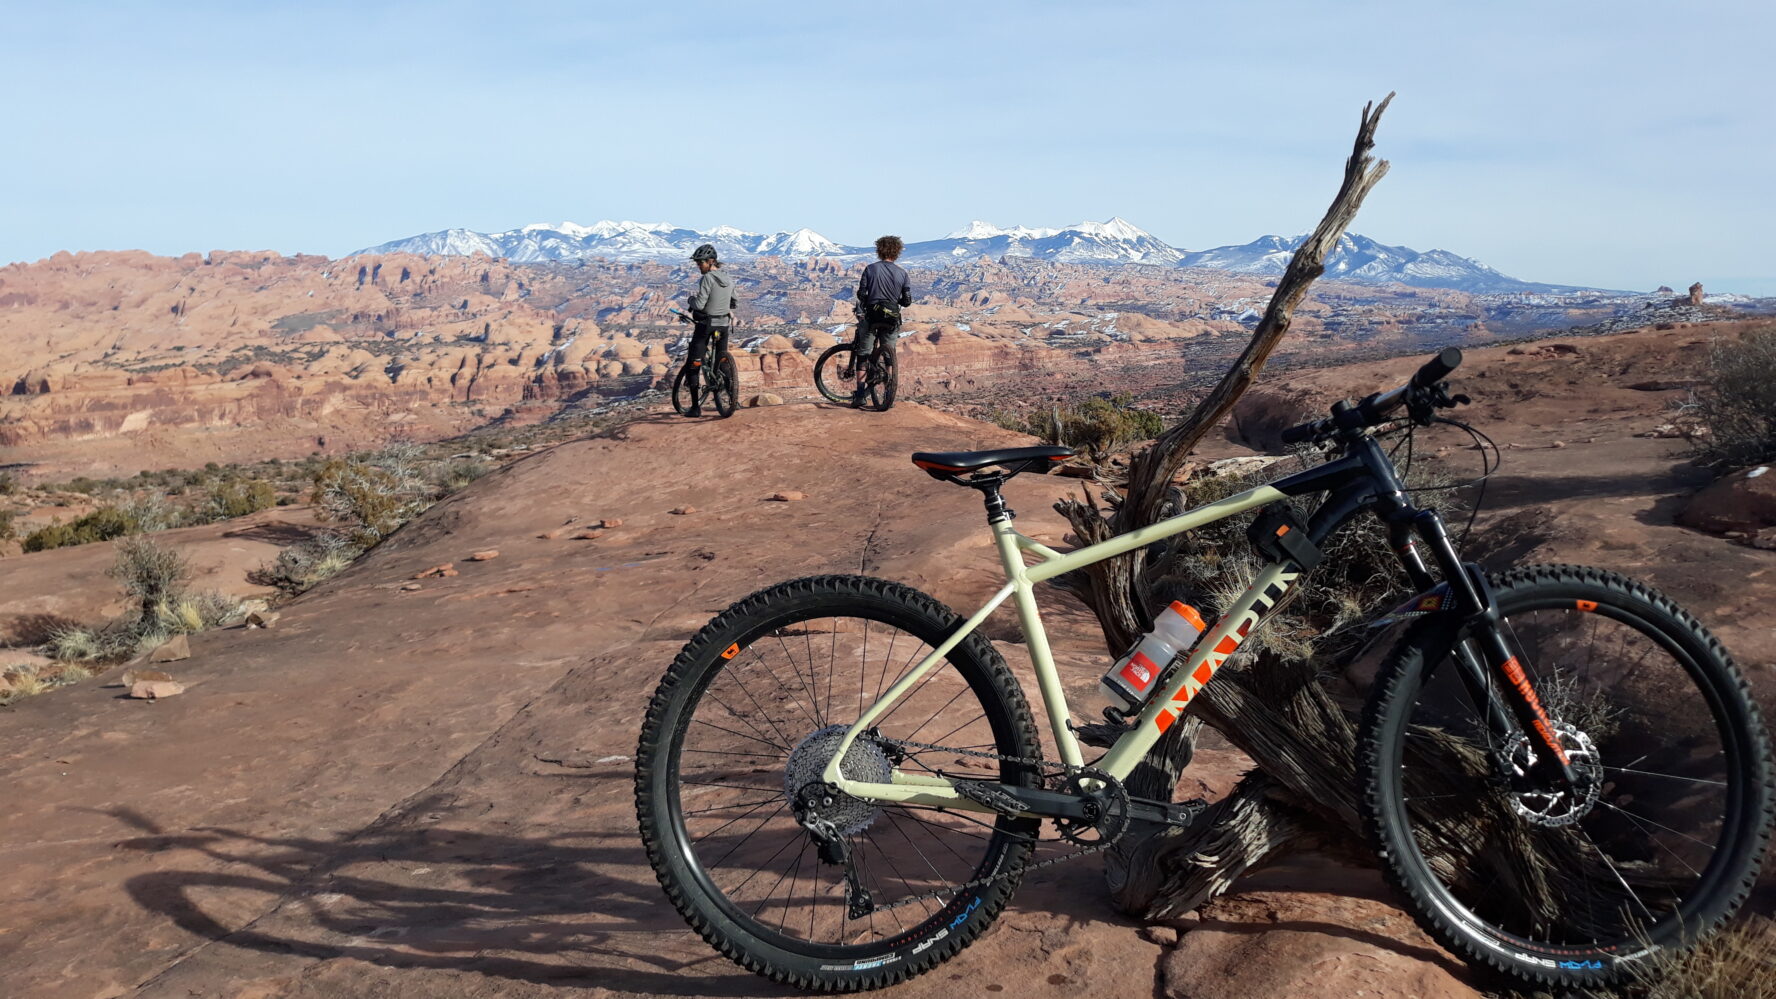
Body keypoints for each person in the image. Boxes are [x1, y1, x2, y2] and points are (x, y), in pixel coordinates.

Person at [678, 243, 738, 417]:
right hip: (724, 324)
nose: (698, 266)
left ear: (711, 261)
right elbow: (735, 301)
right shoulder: (728, 278)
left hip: (707, 324)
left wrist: (690, 300)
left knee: (694, 361)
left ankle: (695, 408)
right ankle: (733, 399)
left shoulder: (707, 278)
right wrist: (723, 305)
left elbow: (699, 304)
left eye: (701, 262)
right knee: (722, 361)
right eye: (697, 263)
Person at [851, 235, 912, 407]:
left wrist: (870, 301)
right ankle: (888, 394)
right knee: (888, 354)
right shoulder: (903, 273)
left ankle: (860, 395)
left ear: (879, 250)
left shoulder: (870, 269)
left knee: (863, 354)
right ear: (897, 252)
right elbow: (907, 301)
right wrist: (894, 300)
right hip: (891, 318)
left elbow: (861, 294)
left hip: (872, 317)